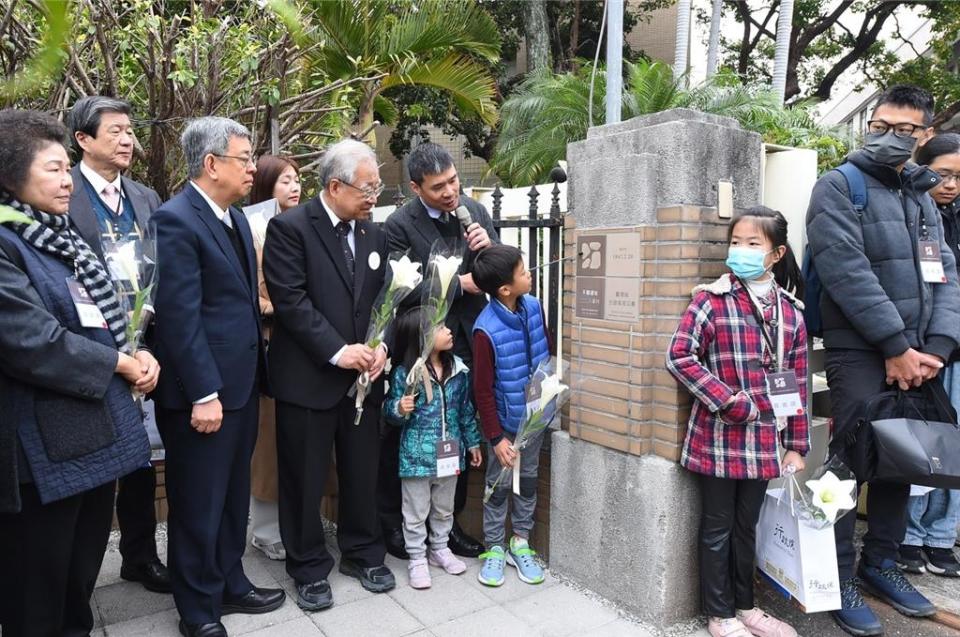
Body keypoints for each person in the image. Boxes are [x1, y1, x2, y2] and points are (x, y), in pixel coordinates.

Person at [806, 85, 960, 637]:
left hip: (920, 354)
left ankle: (882, 565)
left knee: (904, 461)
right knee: (849, 467)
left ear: (922, 136)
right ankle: (838, 575)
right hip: (862, 351)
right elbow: (847, 272)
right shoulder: (838, 187)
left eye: (903, 131)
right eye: (880, 126)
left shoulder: (922, 198)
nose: (889, 138)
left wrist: (935, 351)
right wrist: (895, 347)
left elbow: (944, 273)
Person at [0, 109, 154, 635]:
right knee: (35, 591)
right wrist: (118, 361)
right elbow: (32, 341)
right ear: (11, 176)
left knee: (77, 582)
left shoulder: (59, 237)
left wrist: (136, 348)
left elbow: (103, 319)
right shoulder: (7, 243)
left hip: (93, 438)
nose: (68, 181)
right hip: (42, 451)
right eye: (52, 169)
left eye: (68, 168)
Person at [152, 117, 284, 637]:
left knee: (231, 496)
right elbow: (180, 318)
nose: (253, 168)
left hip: (240, 386)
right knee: (198, 503)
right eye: (244, 159)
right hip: (203, 396)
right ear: (211, 164)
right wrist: (204, 392)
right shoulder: (176, 220)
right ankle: (198, 609)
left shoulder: (230, 218)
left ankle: (231, 581)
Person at [263, 139, 395, 612]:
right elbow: (291, 303)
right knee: (304, 476)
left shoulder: (373, 233)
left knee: (363, 471)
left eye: (377, 186)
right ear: (335, 186)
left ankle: (362, 551)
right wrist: (339, 352)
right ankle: (308, 565)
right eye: (368, 187)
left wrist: (382, 346)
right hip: (308, 377)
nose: (374, 195)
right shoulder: (290, 228)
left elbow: (383, 303)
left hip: (363, 381)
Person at [667, 207, 808, 637]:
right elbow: (679, 356)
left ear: (776, 253)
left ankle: (746, 607)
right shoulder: (711, 300)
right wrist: (728, 400)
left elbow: (797, 382)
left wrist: (797, 445)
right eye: (735, 242)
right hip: (719, 437)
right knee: (717, 526)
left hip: (766, 440)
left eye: (753, 244)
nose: (740, 251)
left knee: (748, 525)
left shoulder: (791, 313)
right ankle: (719, 613)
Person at [67, 95, 171, 594]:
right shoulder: (63, 197)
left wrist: (145, 338)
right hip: (90, 351)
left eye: (130, 130)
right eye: (115, 131)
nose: (127, 139)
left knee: (140, 457)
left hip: (145, 348)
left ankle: (140, 555)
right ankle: (76, 572)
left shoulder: (146, 197)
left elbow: (160, 270)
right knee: (93, 462)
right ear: (83, 140)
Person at [379, 142, 498, 559]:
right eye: (438, 187)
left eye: (453, 182)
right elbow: (399, 287)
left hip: (466, 337)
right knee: (412, 434)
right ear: (416, 188)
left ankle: (448, 529)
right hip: (421, 341)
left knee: (458, 429)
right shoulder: (398, 225)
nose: (450, 193)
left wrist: (488, 247)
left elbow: (497, 271)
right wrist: (454, 285)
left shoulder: (475, 212)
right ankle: (398, 524)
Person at [383, 308, 483, 589]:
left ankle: (439, 548)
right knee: (415, 510)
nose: (448, 330)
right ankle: (416, 556)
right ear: (421, 338)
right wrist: (399, 408)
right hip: (416, 457)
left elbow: (465, 411)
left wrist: (472, 441)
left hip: (449, 456)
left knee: (443, 508)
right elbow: (389, 410)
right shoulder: (406, 373)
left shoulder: (458, 370)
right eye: (440, 327)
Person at [471, 244, 551, 587]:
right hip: (504, 425)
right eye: (522, 272)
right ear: (504, 288)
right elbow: (483, 390)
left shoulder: (533, 306)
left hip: (534, 419)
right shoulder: (485, 330)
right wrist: (496, 438)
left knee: (528, 481)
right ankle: (493, 548)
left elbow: (545, 353)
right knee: (498, 485)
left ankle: (520, 541)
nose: (529, 274)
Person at [899, 133, 960, 578]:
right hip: (921, 349)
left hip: (956, 350)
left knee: (955, 447)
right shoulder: (910, 211)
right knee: (922, 445)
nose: (951, 184)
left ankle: (941, 536)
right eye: (942, 173)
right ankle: (910, 535)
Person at [246, 154, 302, 561]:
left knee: (297, 438)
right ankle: (265, 530)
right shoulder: (252, 230)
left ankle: (297, 521)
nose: (294, 187)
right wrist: (280, 308)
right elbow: (249, 294)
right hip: (269, 344)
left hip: (305, 346)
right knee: (267, 442)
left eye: (297, 179)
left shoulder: (305, 226)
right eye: (284, 180)